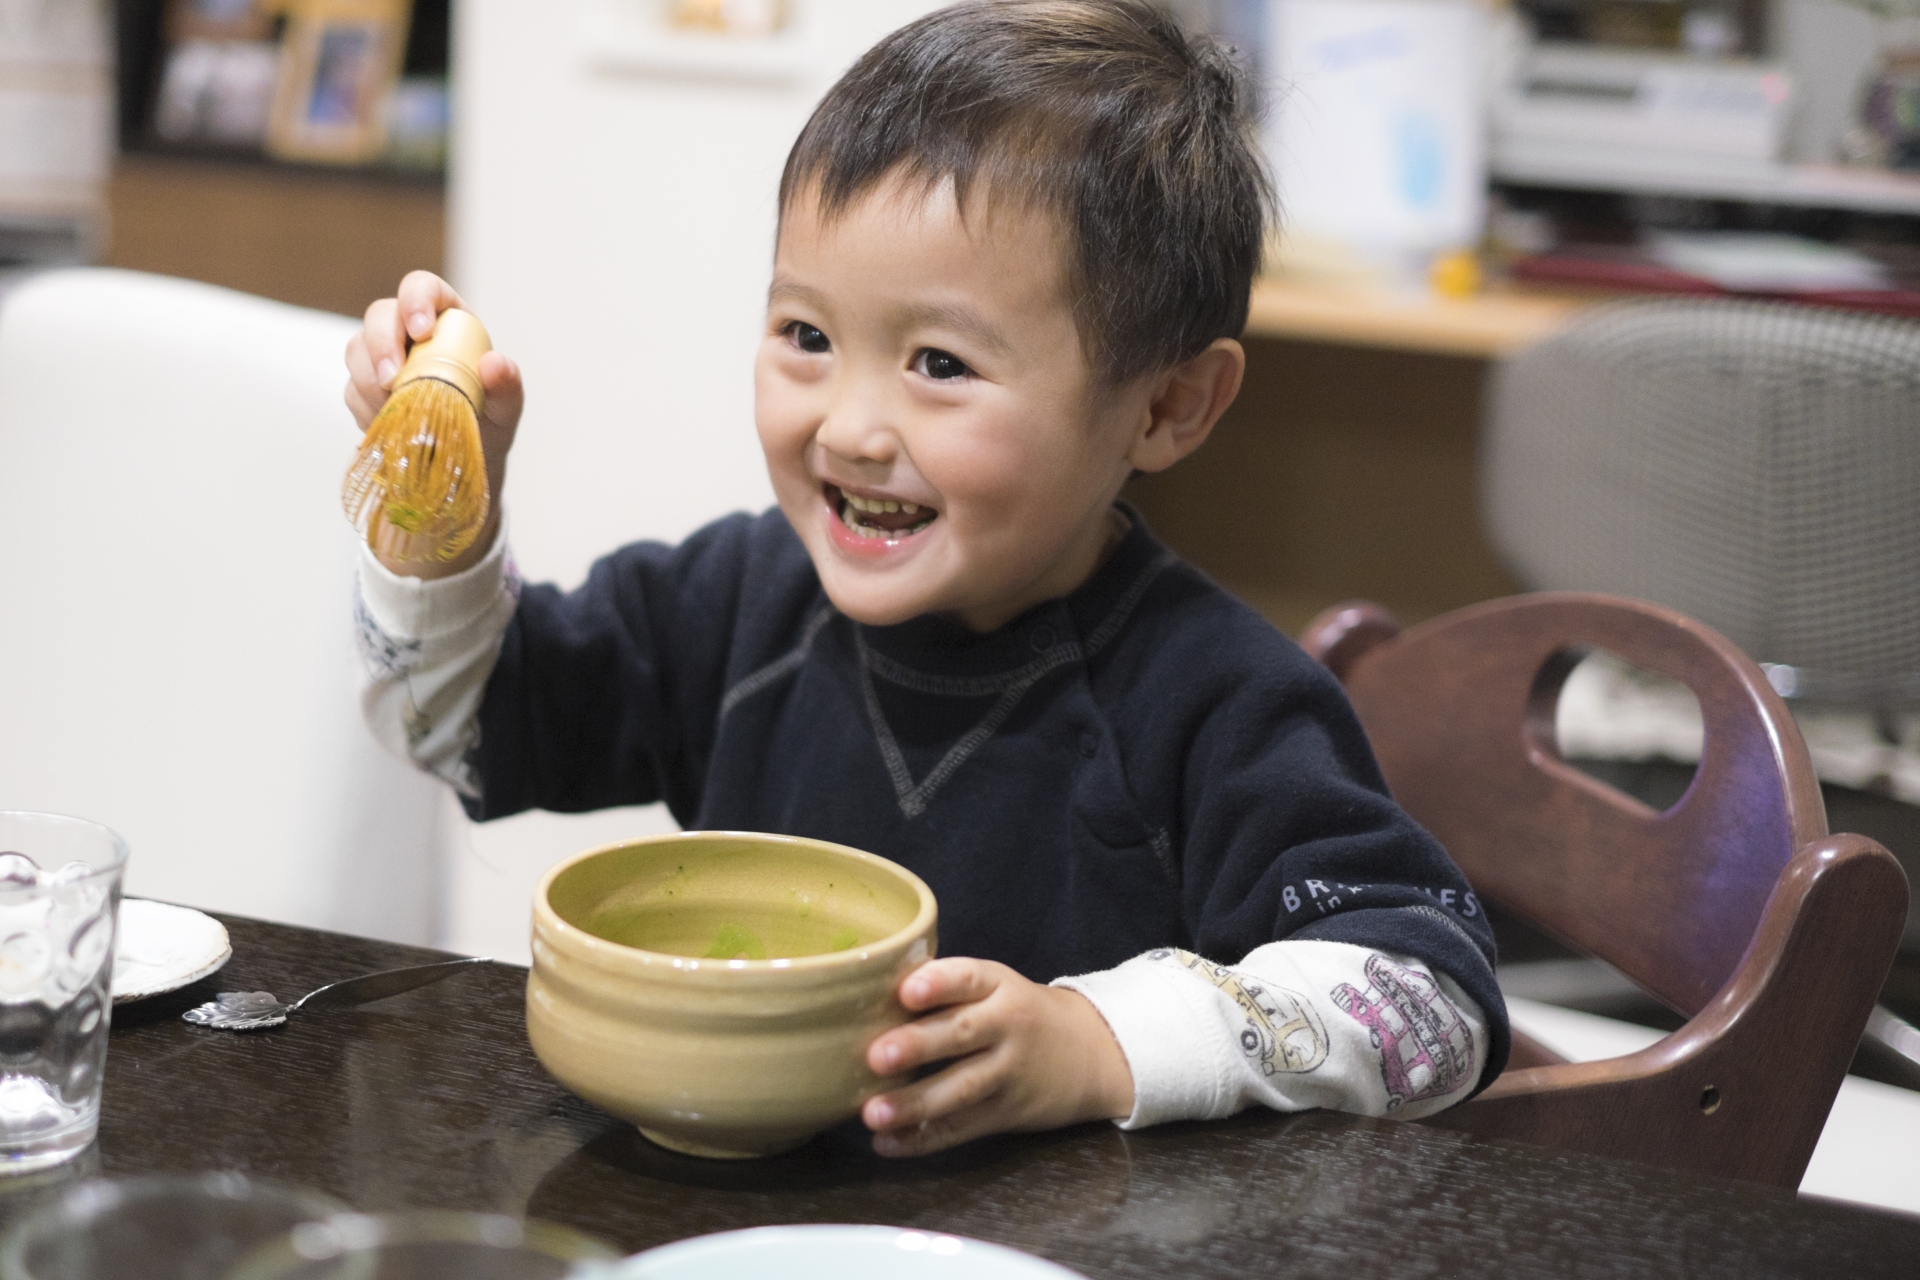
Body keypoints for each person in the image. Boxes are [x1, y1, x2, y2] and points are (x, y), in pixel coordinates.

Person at [345, 0, 1509, 1158]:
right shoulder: (739, 601)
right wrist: (438, 506)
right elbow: (458, 724)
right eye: (806, 335)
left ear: (1166, 405)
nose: (850, 426)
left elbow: (1430, 1003)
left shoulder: (1214, 696)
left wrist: (1097, 1038)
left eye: (940, 364)